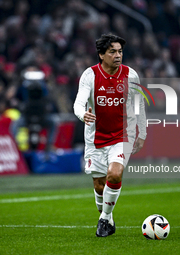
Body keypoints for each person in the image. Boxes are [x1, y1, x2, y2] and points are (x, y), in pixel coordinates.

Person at [73, 34, 147, 237]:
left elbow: (139, 104)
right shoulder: (90, 75)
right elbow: (79, 103)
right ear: (101, 55)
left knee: (114, 174)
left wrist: (143, 132)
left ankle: (104, 219)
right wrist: (82, 114)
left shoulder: (130, 75)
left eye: (120, 51)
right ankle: (108, 217)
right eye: (112, 51)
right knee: (99, 185)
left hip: (123, 135)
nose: (118, 55)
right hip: (95, 137)